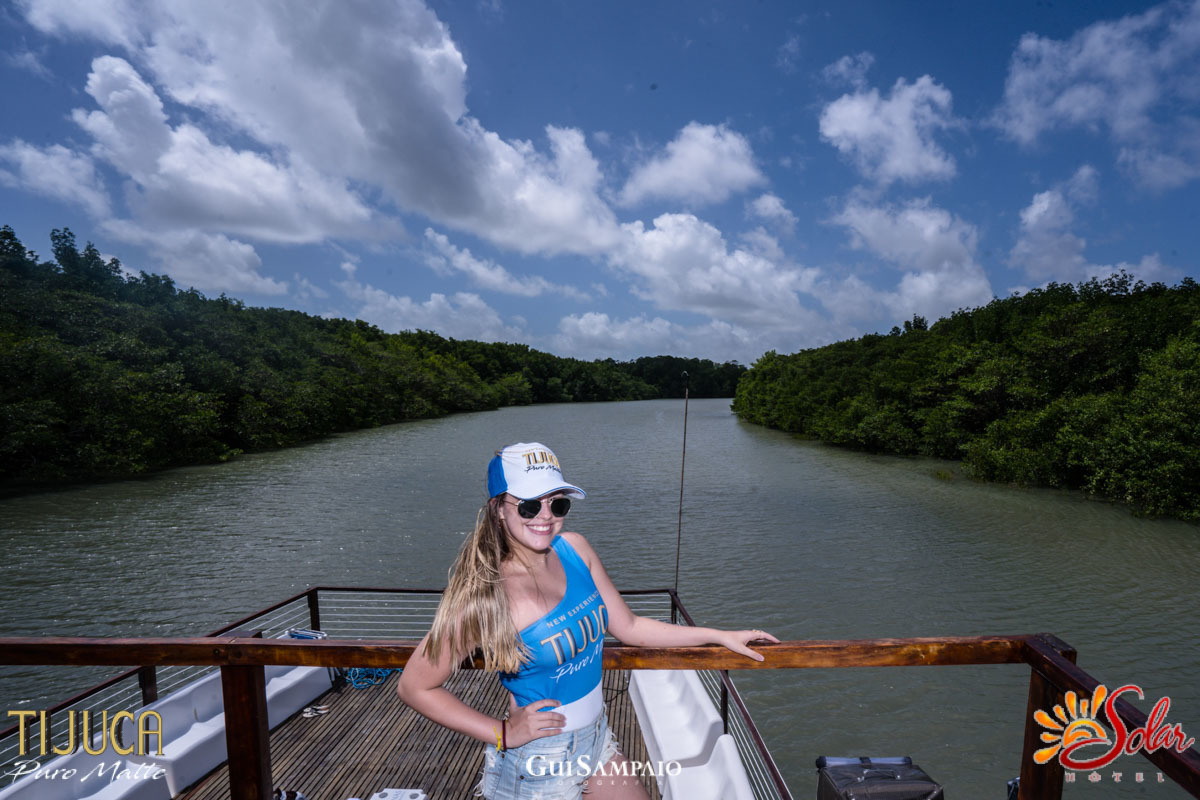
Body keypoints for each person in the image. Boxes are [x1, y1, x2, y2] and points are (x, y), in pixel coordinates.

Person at [396, 442, 777, 800]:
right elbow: (416, 687)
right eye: (529, 506)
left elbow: (629, 627)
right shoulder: (484, 596)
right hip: (539, 759)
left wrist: (718, 636)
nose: (545, 517)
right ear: (500, 508)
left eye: (557, 504)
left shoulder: (575, 550)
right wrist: (503, 733)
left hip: (596, 739)